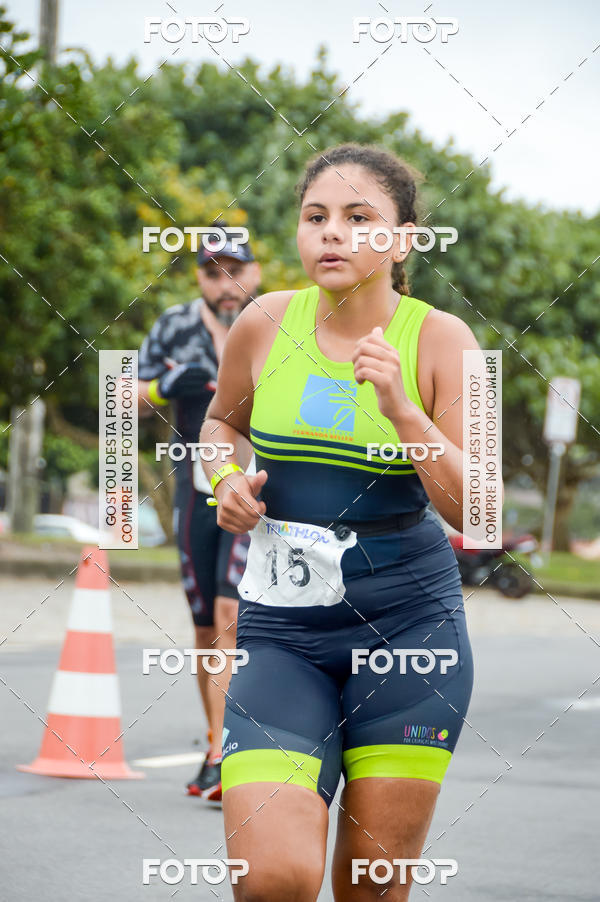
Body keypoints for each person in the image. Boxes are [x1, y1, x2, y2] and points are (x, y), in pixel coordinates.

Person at [201, 143, 494, 901]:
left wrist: (403, 411)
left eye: (359, 218)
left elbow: (480, 508)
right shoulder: (263, 322)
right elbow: (218, 426)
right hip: (284, 634)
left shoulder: (446, 341)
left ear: (402, 242)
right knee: (272, 878)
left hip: (409, 636)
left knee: (369, 887)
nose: (332, 233)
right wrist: (226, 479)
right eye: (316, 216)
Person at [137, 222, 261, 801]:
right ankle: (216, 746)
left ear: (254, 271)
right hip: (194, 487)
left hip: (253, 487)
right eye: (212, 273)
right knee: (206, 629)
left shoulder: (275, 322)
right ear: (198, 278)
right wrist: (165, 385)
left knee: (229, 613)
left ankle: (230, 753)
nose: (225, 283)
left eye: (234, 269)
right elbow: (123, 400)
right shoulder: (174, 325)